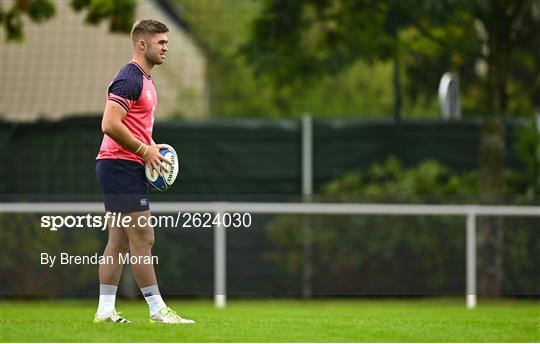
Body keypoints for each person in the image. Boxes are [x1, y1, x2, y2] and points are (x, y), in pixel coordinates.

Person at [94, 19, 194, 325]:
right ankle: (157, 310)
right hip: (119, 165)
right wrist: (143, 151)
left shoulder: (146, 80)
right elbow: (109, 124)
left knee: (120, 241)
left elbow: (133, 124)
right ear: (142, 44)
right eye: (161, 42)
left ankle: (105, 311)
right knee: (143, 237)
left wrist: (151, 145)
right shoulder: (130, 78)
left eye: (166, 42)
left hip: (122, 165)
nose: (166, 48)